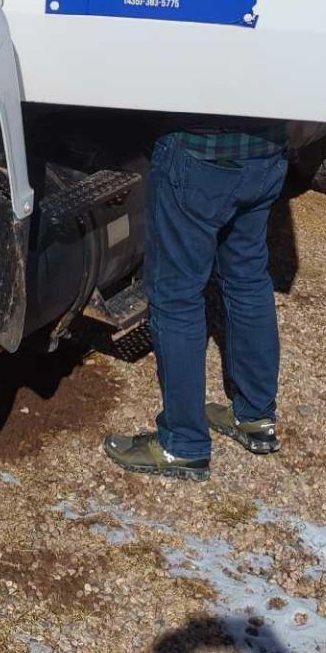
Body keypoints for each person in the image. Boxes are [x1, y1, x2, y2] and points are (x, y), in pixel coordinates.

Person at [103, 117, 288, 478]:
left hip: (199, 151)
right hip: (267, 148)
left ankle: (182, 444)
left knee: (177, 296)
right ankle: (256, 417)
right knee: (248, 278)